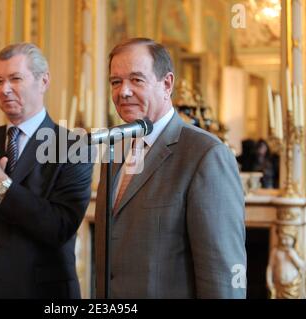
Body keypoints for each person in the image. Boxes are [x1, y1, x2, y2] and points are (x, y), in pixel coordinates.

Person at [94, 38, 247, 298]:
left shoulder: (206, 155)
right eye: (116, 82)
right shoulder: (115, 149)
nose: (124, 92)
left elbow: (222, 274)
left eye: (136, 80)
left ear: (167, 84)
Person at [0, 43, 93, 298]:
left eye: (15, 79)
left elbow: (59, 227)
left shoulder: (73, 146)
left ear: (43, 81)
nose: (5, 89)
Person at [266, 225, 305, 299]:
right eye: (282, 239)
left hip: (293, 286)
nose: (284, 242)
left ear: (293, 239)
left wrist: (294, 257)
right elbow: (270, 266)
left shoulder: (295, 252)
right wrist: (269, 281)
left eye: (287, 239)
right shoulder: (276, 251)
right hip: (279, 285)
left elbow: (303, 266)